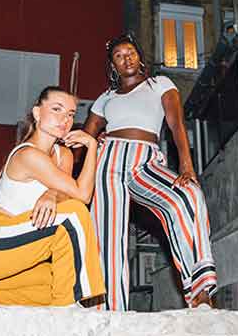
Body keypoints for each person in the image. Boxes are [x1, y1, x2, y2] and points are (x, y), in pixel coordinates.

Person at [83, 33, 216, 310]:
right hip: (108, 161)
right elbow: (87, 134)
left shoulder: (160, 84)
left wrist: (186, 164)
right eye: (119, 56)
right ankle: (109, 311)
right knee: (107, 236)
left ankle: (200, 289)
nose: (126, 59)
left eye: (130, 53)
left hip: (146, 160)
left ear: (140, 57)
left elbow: (176, 124)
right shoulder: (106, 98)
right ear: (113, 66)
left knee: (188, 196)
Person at [0, 87, 105, 306]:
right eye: (56, 109)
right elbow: (82, 195)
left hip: (2, 265)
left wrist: (52, 194)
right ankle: (69, 311)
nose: (65, 119)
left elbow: (66, 192)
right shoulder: (28, 154)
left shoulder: (64, 155)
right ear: (37, 113)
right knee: (73, 216)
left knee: (56, 280)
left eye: (71, 114)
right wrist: (93, 144)